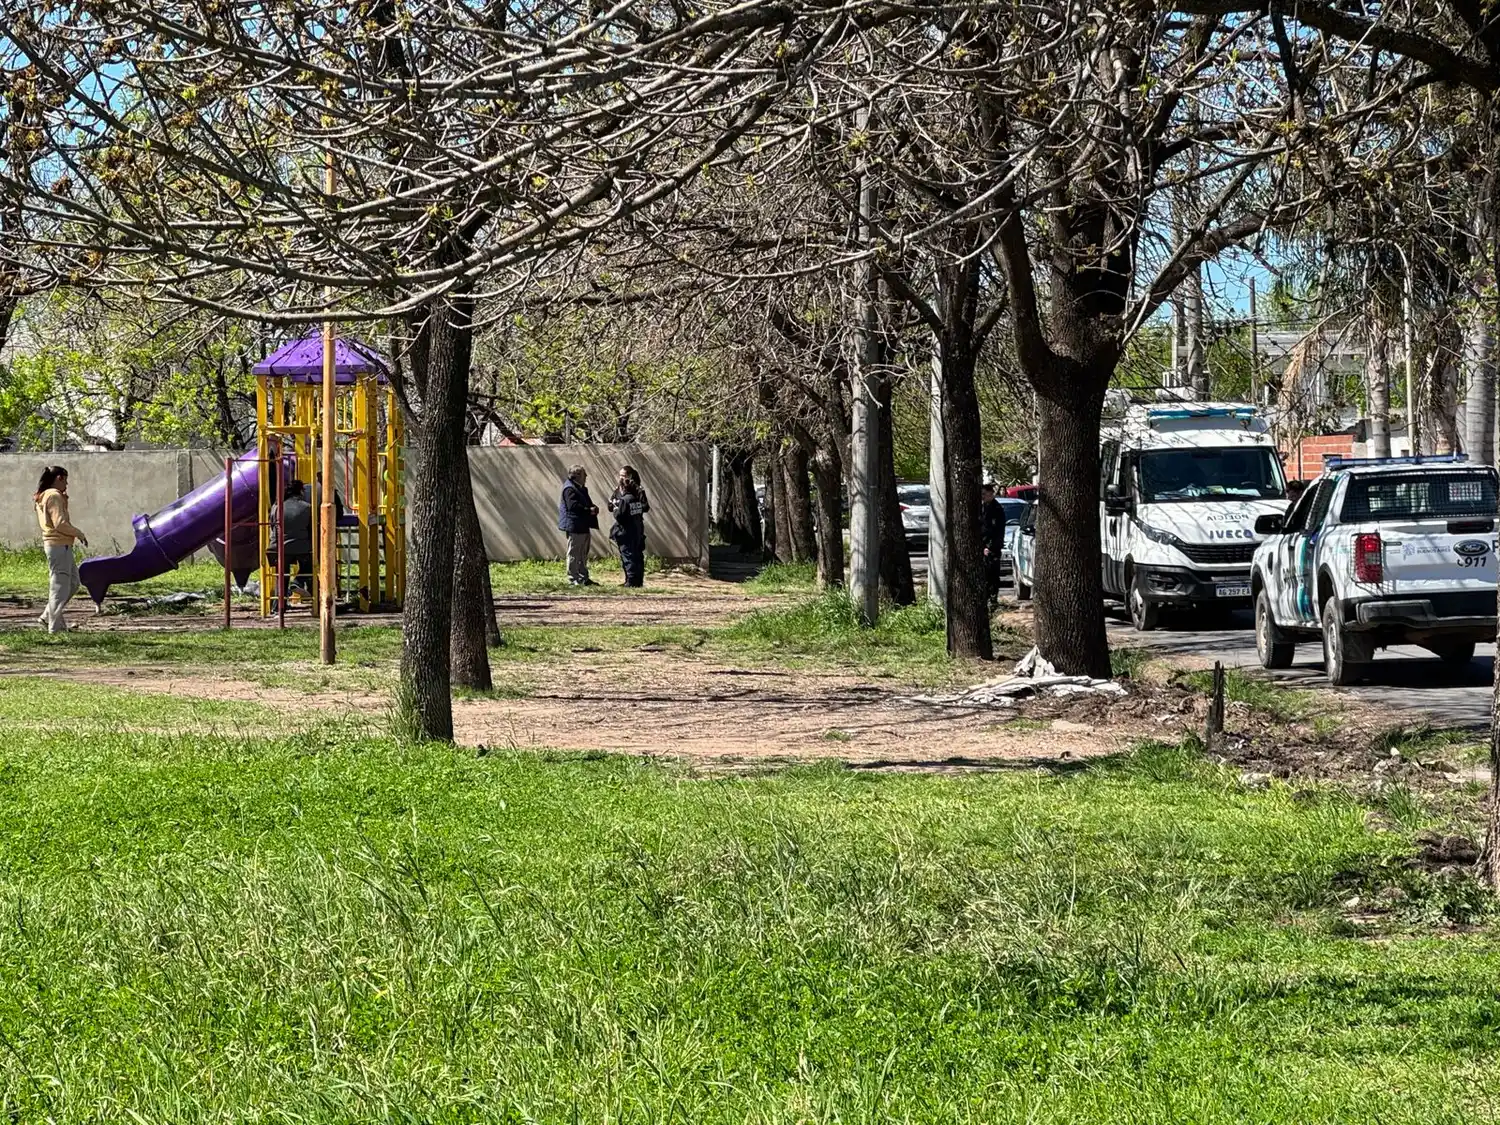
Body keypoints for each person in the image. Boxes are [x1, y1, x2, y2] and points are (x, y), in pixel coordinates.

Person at [34, 465, 87, 634]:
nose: (67, 484)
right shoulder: (54, 495)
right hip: (58, 545)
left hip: (61, 545)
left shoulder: (46, 495)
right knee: (59, 586)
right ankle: (55, 627)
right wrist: (78, 533)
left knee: (72, 583)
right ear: (59, 478)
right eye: (66, 479)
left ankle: (46, 616)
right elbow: (60, 523)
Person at [270, 478, 315, 601]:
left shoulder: (276, 506)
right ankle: (298, 581)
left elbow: (272, 525)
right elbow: (311, 529)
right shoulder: (307, 507)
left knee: (281, 574)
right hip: (301, 546)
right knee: (311, 565)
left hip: (278, 546)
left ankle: (278, 606)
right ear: (301, 492)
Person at [609, 465, 651, 587]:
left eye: (624, 475)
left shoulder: (637, 490)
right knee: (629, 555)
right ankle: (630, 579)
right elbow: (610, 504)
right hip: (627, 525)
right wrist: (617, 505)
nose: (621, 478)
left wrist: (627, 508)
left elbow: (644, 506)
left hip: (632, 525)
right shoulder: (618, 490)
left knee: (632, 554)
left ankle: (634, 580)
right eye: (620, 475)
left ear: (630, 476)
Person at [557, 465, 599, 586]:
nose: (586, 476)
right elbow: (572, 506)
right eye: (584, 474)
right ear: (577, 475)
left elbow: (586, 502)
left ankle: (583, 577)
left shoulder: (581, 488)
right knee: (574, 553)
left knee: (583, 553)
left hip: (583, 525)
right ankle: (573, 578)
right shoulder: (569, 489)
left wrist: (593, 508)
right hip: (575, 526)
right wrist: (588, 510)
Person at [981, 482, 1007, 607]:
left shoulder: (996, 509)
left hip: (993, 548)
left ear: (991, 494)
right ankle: (986, 599)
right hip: (984, 547)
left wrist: (989, 547)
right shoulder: (983, 507)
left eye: (984, 494)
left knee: (992, 575)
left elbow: (996, 531)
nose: (982, 497)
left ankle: (993, 599)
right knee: (984, 576)